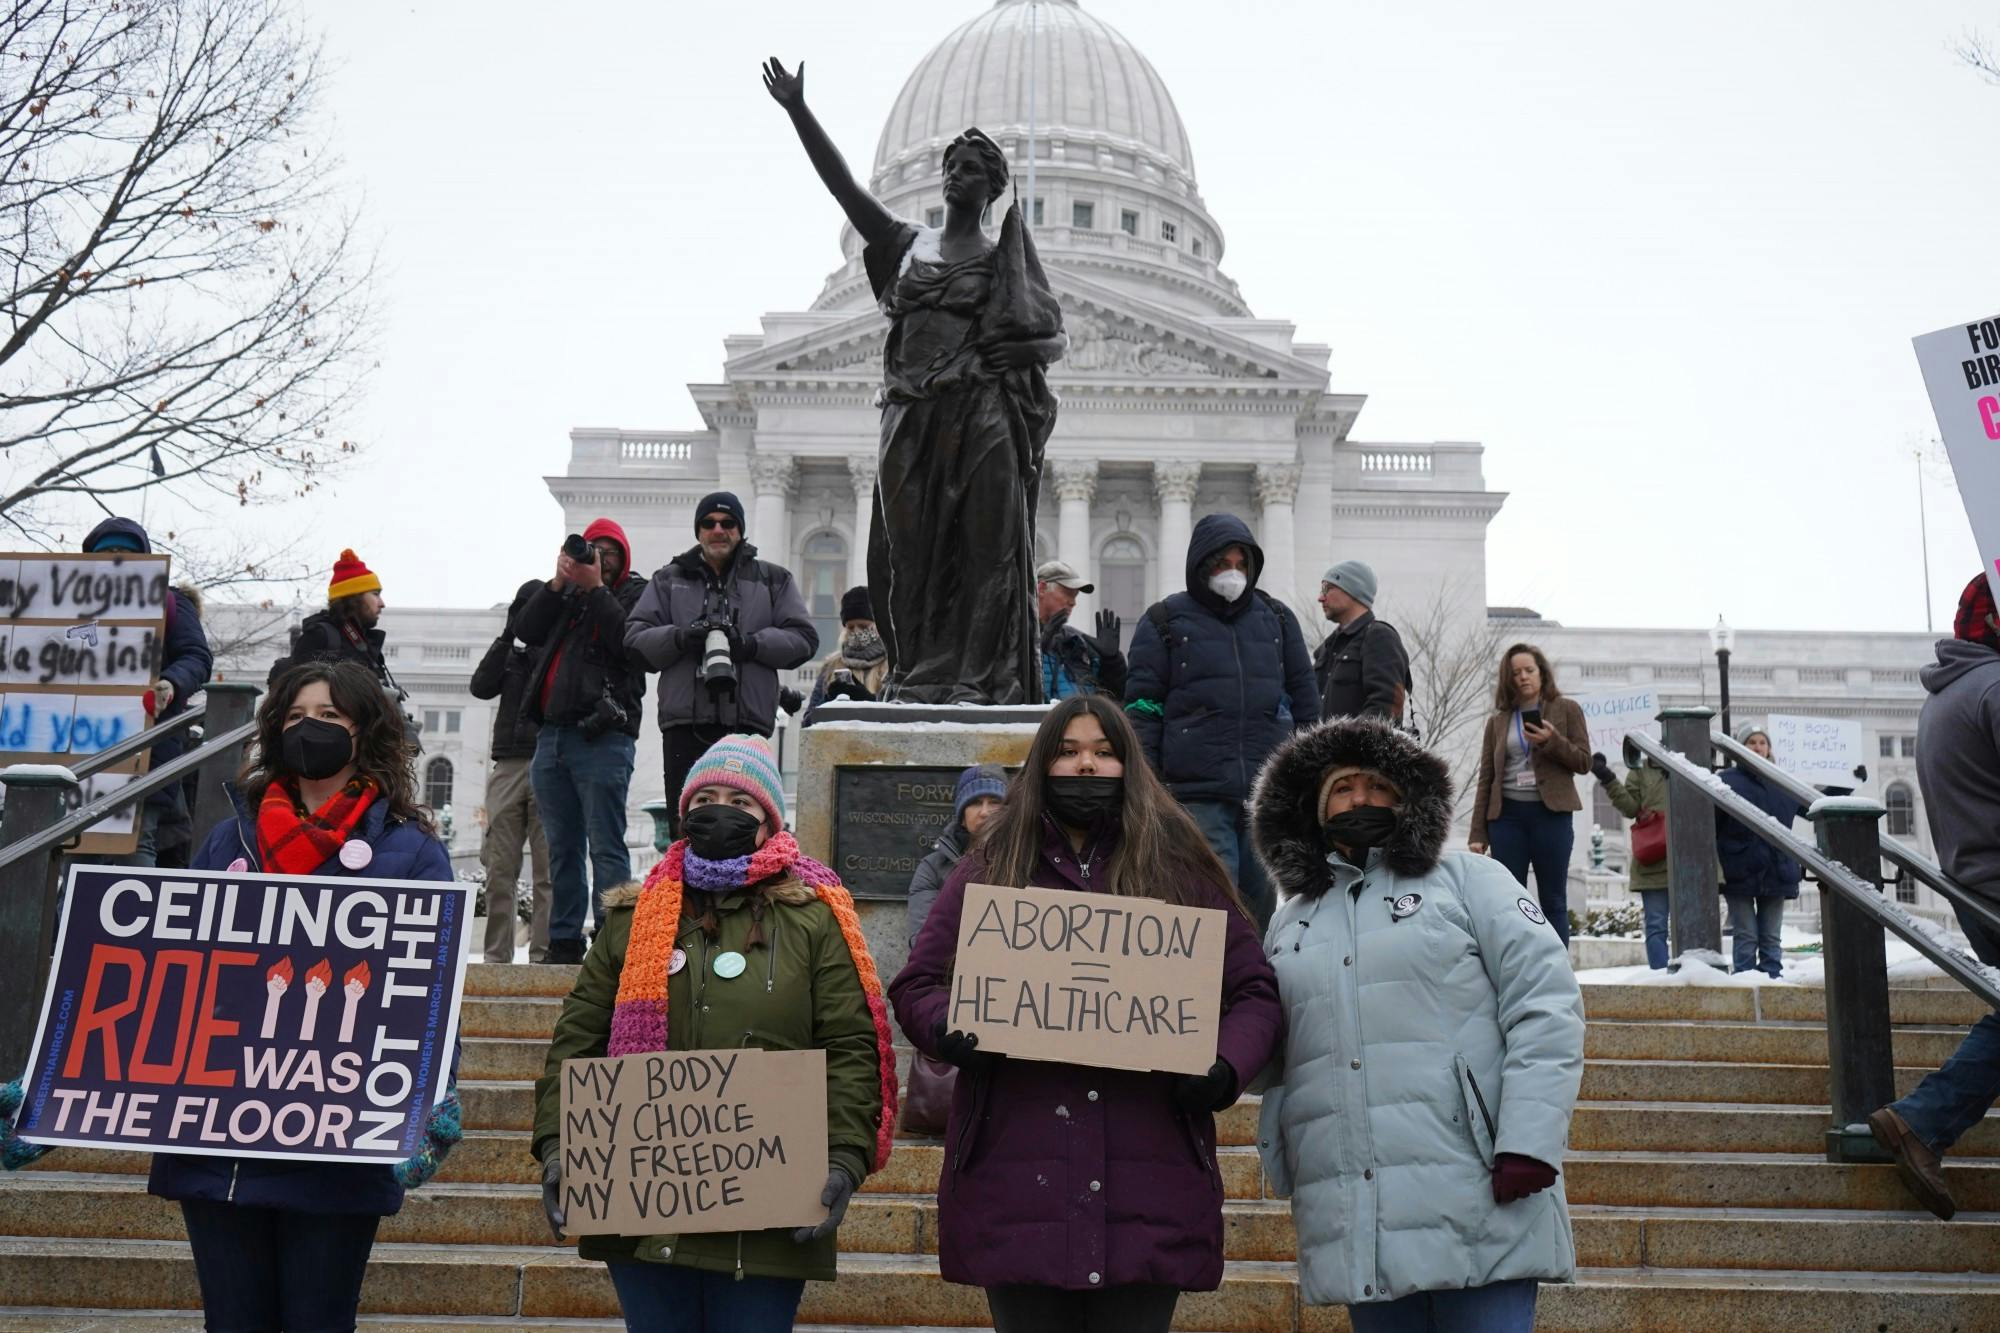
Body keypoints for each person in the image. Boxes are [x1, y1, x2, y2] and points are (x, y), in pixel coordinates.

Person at [889, 696, 1283, 1333]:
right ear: (1043, 765)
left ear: (1129, 767)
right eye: (1069, 752)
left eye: (1103, 753)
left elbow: (1255, 993)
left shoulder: (1180, 870)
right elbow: (917, 984)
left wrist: (1221, 1064)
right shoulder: (989, 868)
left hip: (1149, 1181)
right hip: (1018, 1181)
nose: (1086, 766)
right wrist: (952, 1030)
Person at [532, 734, 896, 1332]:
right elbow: (577, 1040)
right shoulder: (630, 920)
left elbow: (851, 1049)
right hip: (642, 1209)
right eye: (707, 798)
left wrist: (843, 1157)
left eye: (741, 801)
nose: (720, 810)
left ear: (768, 819)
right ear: (685, 813)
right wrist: (557, 1146)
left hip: (770, 1214)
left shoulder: (814, 919)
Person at [140, 659, 458, 1330]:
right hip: (222, 1139)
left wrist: (430, 1102)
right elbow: (172, 971)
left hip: (338, 1146)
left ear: (365, 732)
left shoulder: (412, 852)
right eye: (296, 717)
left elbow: (432, 991)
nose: (310, 729)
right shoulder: (231, 838)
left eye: (330, 718)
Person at [1250, 715, 1585, 1331]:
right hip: (1357, 1208)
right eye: (1344, 788)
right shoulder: (1290, 922)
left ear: (1409, 798)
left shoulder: (1470, 881)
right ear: (1314, 806)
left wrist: (1529, 1140)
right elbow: (1267, 1045)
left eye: (1378, 786)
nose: (1362, 800)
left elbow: (1546, 1004)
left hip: (1479, 1194)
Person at [765, 59, 1064, 705]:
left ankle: (980, 679)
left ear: (994, 188)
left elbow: (1036, 339)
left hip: (980, 416)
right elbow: (844, 189)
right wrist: (798, 112)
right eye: (952, 165)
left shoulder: (1003, 261)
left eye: (974, 170)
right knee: (908, 554)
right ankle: (920, 671)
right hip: (911, 417)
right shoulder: (907, 246)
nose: (958, 175)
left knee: (988, 549)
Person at [1870, 573, 2000, 1220]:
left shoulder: (1944, 697)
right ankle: (1922, 1118)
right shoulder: (1996, 688)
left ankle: (1922, 1120)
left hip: (1973, 880)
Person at [1125, 513, 1320, 929]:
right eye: (1222, 563)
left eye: (1240, 563)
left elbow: (1306, 701)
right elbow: (1143, 710)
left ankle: (1254, 987)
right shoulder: (1164, 621)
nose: (1232, 573)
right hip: (1198, 793)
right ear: (1201, 564)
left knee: (1261, 904)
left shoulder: (1278, 620)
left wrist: (1307, 775)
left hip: (1264, 792)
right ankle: (1210, 990)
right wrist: (1150, 784)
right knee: (1212, 903)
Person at [624, 492, 818, 837]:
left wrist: (749, 644)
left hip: (747, 726)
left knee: (748, 830)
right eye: (709, 523)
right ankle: (686, 893)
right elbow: (636, 640)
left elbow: (803, 638)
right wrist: (683, 638)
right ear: (698, 530)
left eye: (728, 523)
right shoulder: (669, 580)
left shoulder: (773, 580)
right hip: (685, 725)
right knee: (686, 831)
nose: (718, 530)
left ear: (740, 530)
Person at [516, 519, 644, 965]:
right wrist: (558, 582)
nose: (600, 559)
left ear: (623, 558)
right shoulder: (563, 596)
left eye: (609, 552)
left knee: (606, 843)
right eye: (592, 550)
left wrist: (596, 589)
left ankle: (612, 942)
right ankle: (564, 941)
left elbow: (630, 645)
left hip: (604, 737)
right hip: (551, 736)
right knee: (561, 846)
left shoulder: (634, 594)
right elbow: (527, 630)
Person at [80, 517, 213, 866]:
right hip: (78, 753)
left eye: (126, 552)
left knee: (135, 845)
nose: (116, 560)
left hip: (146, 748)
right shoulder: (63, 609)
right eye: (105, 553)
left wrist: (170, 683)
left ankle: (127, 916)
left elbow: (197, 656)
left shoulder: (170, 603)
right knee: (75, 851)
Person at [1469, 643, 1589, 944]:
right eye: (1515, 673)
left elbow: (1584, 761)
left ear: (1542, 672)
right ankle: (1516, 971)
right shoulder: (1498, 722)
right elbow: (1487, 778)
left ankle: (1558, 977)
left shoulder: (1567, 709)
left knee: (1553, 901)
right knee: (1509, 901)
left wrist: (1552, 740)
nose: (1523, 677)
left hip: (1551, 816)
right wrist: (1478, 832)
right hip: (1507, 819)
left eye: (1529, 670)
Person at [471, 580, 554, 963]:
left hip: (549, 762)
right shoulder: (511, 656)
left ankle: (542, 955)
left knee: (547, 869)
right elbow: (480, 686)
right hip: (508, 763)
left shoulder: (558, 652)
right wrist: (508, 634)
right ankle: (495, 957)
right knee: (499, 866)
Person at [1715, 723, 1804, 979]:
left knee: (1770, 937)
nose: (1757, 747)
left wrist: (1846, 784)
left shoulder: (1782, 781)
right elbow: (1713, 824)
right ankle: (1744, 983)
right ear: (1741, 748)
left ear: (1769, 748)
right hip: (1740, 869)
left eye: (1762, 742)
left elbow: (1813, 806)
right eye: (1751, 742)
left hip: (1777, 869)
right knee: (1746, 935)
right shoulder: (1726, 781)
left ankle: (1772, 983)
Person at [905, 763, 1008, 943]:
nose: (984, 812)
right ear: (962, 817)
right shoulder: (932, 868)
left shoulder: (1031, 859)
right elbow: (923, 941)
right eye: (975, 803)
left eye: (994, 802)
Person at [270, 548, 395, 692]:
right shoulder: (321, 637)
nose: (382, 603)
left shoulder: (364, 644)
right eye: (375, 594)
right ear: (354, 597)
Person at [1594, 737, 1671, 969]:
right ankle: (1661, 978)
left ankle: (1693, 975)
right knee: (1656, 924)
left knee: (1690, 926)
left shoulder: (1695, 767)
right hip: (1655, 859)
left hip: (1689, 860)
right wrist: (1607, 777)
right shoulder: (1641, 771)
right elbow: (1630, 807)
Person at [1313, 560, 1410, 725]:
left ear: (1353, 590)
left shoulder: (1380, 637)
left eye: (1327, 589)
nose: (1321, 598)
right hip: (1323, 750)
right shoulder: (1327, 648)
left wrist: (1356, 747)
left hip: (1358, 750)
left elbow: (1386, 706)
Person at [1036, 560, 1126, 701]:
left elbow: (1115, 698)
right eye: (1067, 593)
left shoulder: (1080, 643)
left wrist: (1113, 662)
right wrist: (1039, 648)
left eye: (1075, 595)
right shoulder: (1015, 637)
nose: (1073, 602)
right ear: (1041, 589)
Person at [803, 585, 888, 725]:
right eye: (850, 627)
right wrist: (829, 701)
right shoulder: (832, 666)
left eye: (863, 626)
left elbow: (901, 719)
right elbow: (807, 724)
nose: (856, 632)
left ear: (878, 624)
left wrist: (867, 701)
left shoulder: (895, 666)